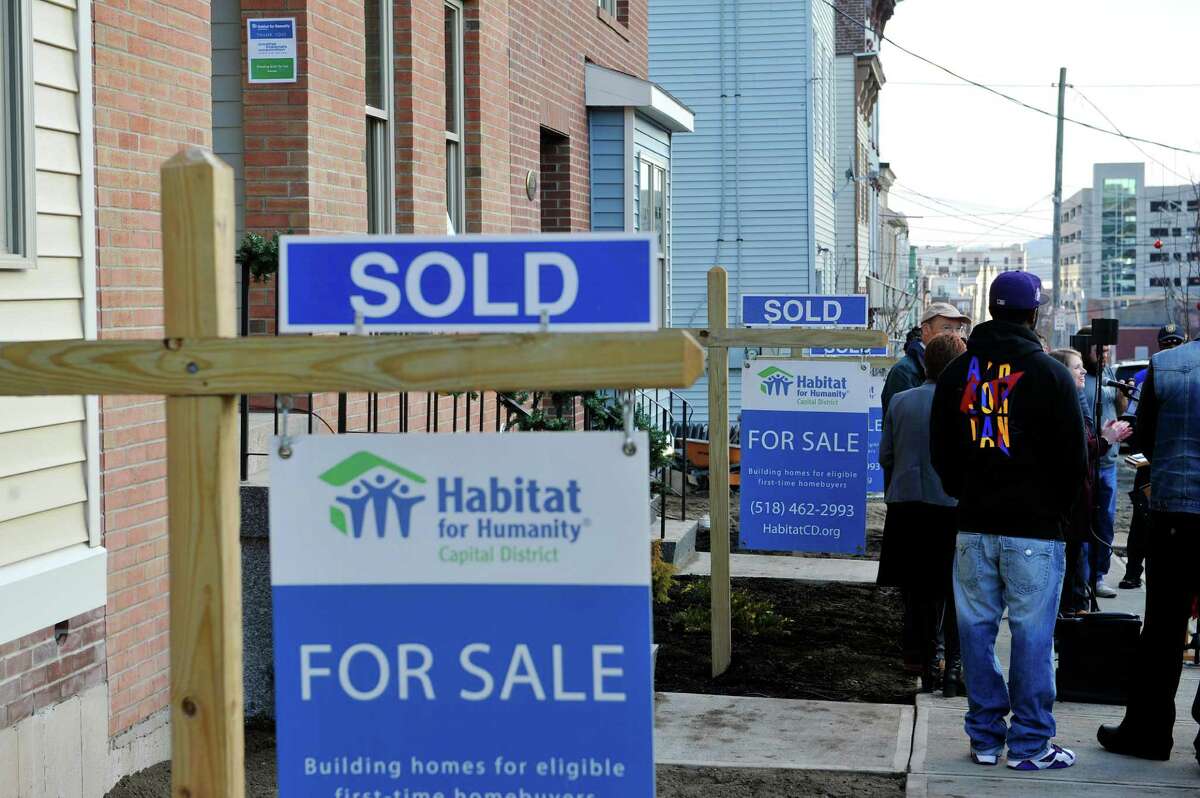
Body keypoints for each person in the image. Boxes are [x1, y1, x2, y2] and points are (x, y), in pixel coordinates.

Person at [930, 270, 1087, 771]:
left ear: (992, 311)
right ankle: (1030, 744)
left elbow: (941, 451)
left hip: (973, 524)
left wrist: (966, 493)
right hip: (1035, 531)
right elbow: (1074, 463)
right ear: (1034, 313)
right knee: (1033, 637)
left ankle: (984, 737)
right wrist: (1059, 515)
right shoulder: (1052, 375)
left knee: (975, 631)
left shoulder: (957, 374)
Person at [1097, 334, 1200, 765]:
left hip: (1177, 513)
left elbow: (1140, 439)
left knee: (1163, 629)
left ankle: (1149, 732)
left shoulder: (1168, 365)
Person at [878, 332, 968, 696]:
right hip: (949, 508)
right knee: (956, 589)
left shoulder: (900, 401)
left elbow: (885, 456)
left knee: (918, 591)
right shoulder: (966, 403)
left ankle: (927, 665)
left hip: (906, 507)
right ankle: (954, 670)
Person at [1047, 348, 1132, 614]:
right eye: (1076, 367)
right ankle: (1069, 613)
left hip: (1080, 500)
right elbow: (1078, 449)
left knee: (1086, 544)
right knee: (1069, 561)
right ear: (1062, 371)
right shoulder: (1065, 403)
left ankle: (1079, 600)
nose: (1083, 371)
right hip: (1067, 504)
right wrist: (1106, 439)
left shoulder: (1088, 388)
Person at [1120, 323, 1186, 590]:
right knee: (1142, 518)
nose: (1170, 348)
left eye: (1175, 343)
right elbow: (1133, 422)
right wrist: (1140, 461)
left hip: (1182, 461)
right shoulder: (1146, 376)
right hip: (1151, 461)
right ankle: (1133, 571)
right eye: (1166, 344)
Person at [1076, 326, 1129, 599]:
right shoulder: (1080, 378)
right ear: (1087, 351)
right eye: (1100, 351)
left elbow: (1118, 408)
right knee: (1086, 522)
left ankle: (1098, 576)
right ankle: (1082, 580)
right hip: (1088, 461)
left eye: (1107, 351)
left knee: (1105, 522)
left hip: (1109, 461)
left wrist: (1123, 393)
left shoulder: (1108, 373)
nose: (1105, 355)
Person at [882, 303, 971, 416]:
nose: (955, 335)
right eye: (946, 328)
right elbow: (900, 423)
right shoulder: (904, 371)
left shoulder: (961, 367)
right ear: (926, 329)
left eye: (958, 329)